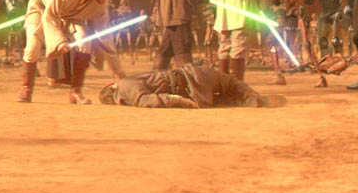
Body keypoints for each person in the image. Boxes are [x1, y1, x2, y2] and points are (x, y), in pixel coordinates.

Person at [17, 0, 121, 104]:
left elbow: (105, 35)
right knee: (33, 47)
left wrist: (117, 71)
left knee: (84, 43)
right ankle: (26, 90)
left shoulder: (100, 4)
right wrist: (59, 41)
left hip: (69, 15)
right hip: (41, 7)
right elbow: (51, 15)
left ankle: (75, 92)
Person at [99, 64, 285, 108]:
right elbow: (146, 99)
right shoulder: (124, 85)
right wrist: (177, 99)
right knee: (229, 83)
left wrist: (178, 100)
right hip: (190, 78)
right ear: (111, 86)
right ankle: (252, 98)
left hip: (190, 86)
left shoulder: (125, 90)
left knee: (223, 95)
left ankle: (248, 100)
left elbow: (145, 99)